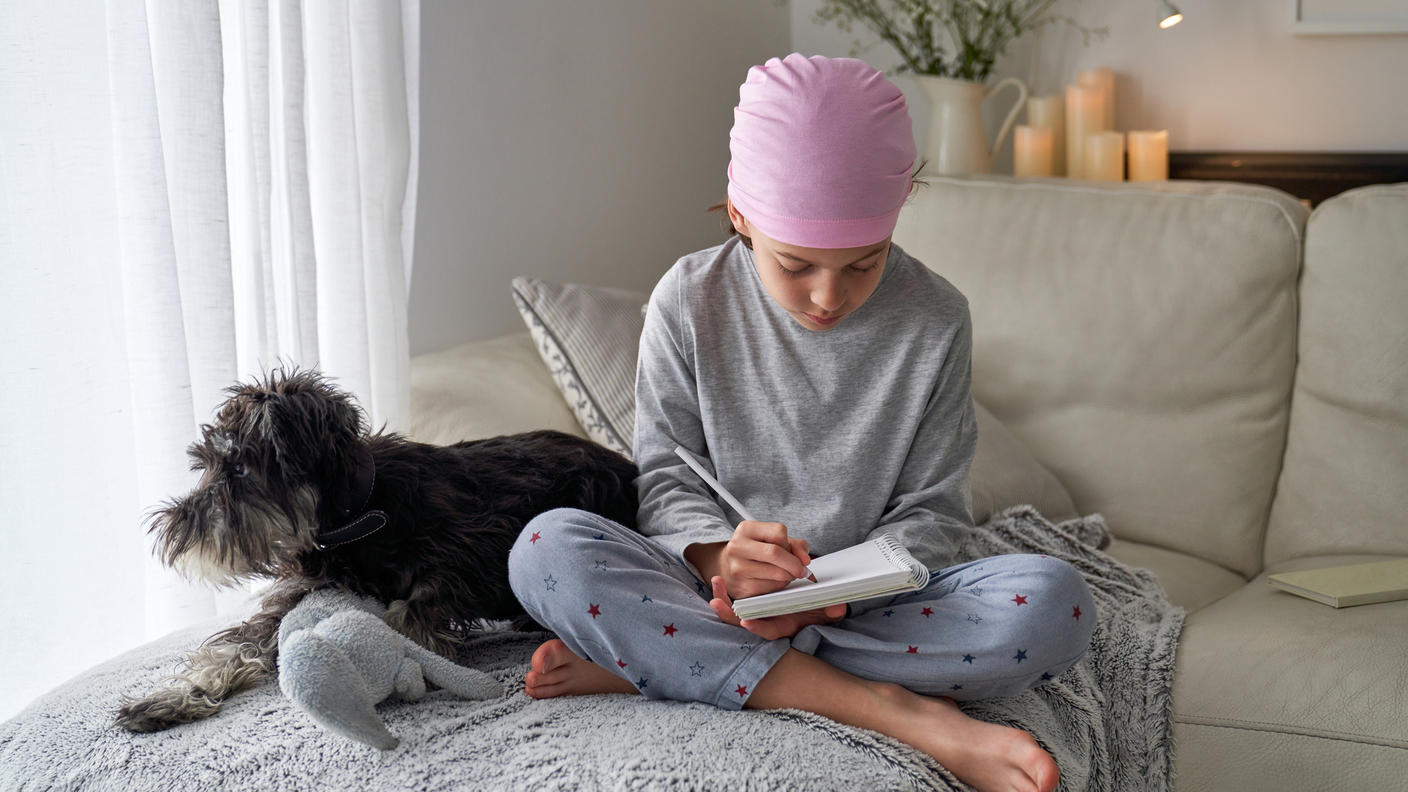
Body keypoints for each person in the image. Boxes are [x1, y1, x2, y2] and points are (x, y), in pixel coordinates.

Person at [507, 53, 1095, 792]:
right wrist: (722, 561)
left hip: (873, 602)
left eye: (863, 264)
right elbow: (664, 481)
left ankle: (668, 661)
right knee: (543, 549)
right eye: (796, 265)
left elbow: (933, 513)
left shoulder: (937, 320)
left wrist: (828, 595)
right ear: (740, 212)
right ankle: (897, 711)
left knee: (1055, 603)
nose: (827, 296)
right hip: (711, 592)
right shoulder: (686, 301)